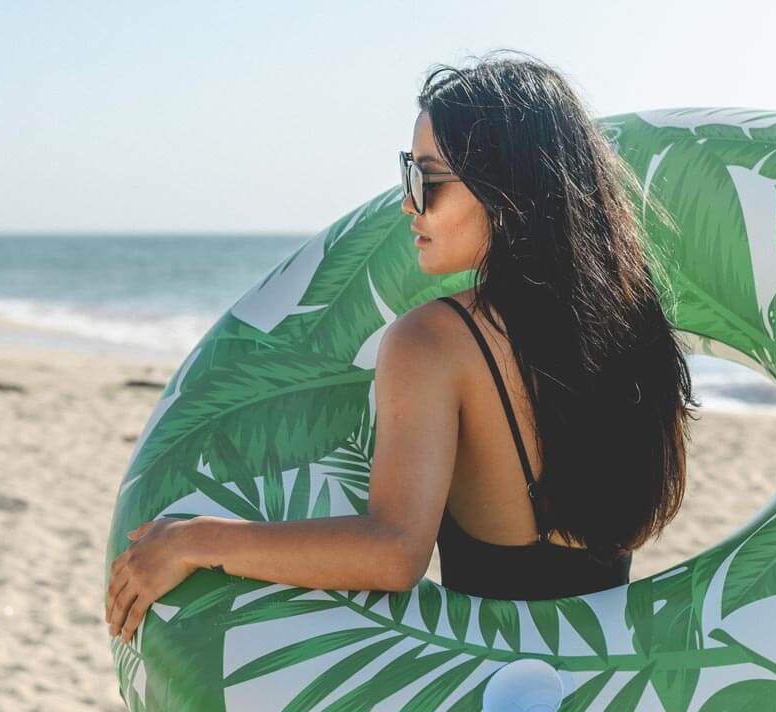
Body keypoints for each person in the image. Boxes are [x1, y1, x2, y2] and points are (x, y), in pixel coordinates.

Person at [105, 50, 699, 643]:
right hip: (608, 675)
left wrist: (195, 540)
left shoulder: (435, 339)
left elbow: (392, 551)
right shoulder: (634, 328)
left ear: (505, 189)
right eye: (407, 173)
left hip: (490, 682)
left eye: (428, 180)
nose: (408, 203)